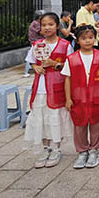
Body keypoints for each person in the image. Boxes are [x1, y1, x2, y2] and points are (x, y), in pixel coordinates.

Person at [24, 12, 74, 168]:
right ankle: (45, 148)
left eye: (50, 24)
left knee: (55, 117)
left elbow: (71, 66)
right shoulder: (37, 45)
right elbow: (31, 61)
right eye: (44, 25)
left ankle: (56, 149)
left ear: (57, 26)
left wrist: (54, 64)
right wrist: (36, 67)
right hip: (40, 88)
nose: (47, 28)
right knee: (41, 118)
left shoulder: (65, 45)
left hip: (58, 87)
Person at [61, 25, 99, 169]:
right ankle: (82, 151)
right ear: (77, 40)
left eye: (90, 38)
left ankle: (94, 150)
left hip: (96, 97)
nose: (88, 41)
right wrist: (68, 99)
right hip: (78, 99)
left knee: (96, 124)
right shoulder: (72, 58)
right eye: (84, 38)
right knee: (79, 125)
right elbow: (67, 79)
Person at [24, 10, 45, 77]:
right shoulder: (36, 24)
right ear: (39, 17)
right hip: (36, 42)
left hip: (35, 41)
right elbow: (41, 32)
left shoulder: (34, 23)